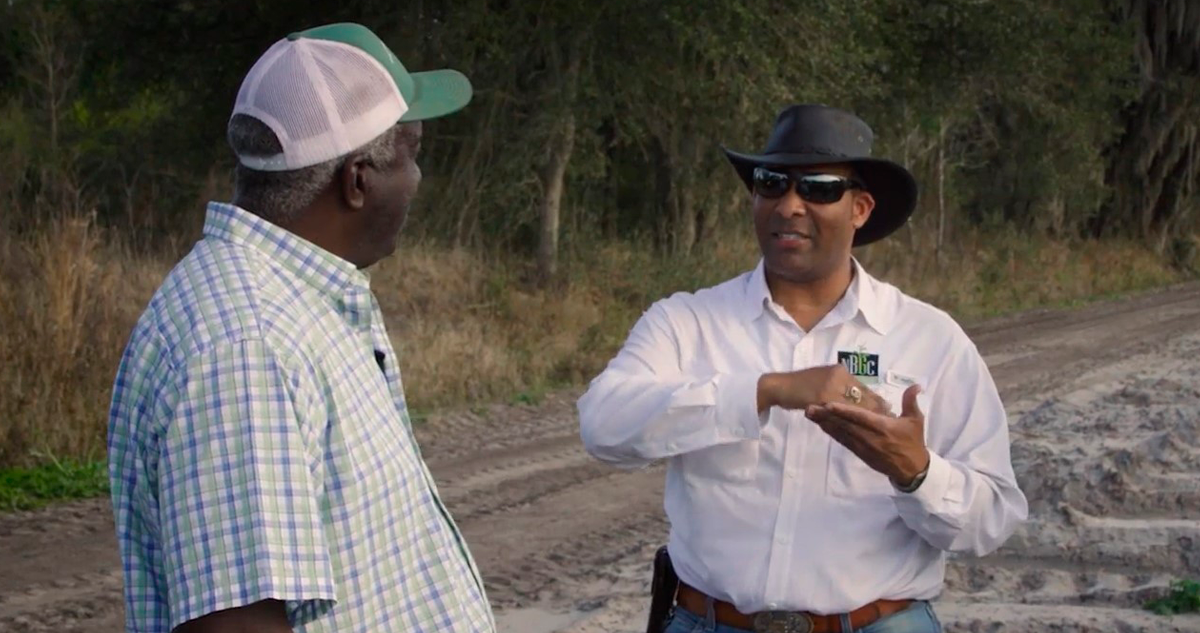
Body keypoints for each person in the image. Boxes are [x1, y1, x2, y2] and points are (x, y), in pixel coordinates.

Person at [578, 104, 1028, 633]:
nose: (790, 205)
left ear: (860, 209)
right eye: (771, 183)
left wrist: (916, 471)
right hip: (709, 621)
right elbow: (603, 426)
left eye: (818, 188)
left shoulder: (931, 340)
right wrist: (763, 391)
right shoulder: (687, 322)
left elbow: (993, 519)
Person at [107, 23, 494, 633]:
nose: (418, 180)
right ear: (359, 180)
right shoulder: (245, 345)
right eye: (412, 154)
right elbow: (236, 623)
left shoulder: (295, 303)